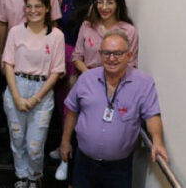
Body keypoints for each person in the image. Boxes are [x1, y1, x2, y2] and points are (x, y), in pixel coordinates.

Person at [60, 31, 169, 188]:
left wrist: (157, 141)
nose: (111, 58)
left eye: (118, 53)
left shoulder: (144, 83)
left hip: (119, 169)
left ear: (129, 55)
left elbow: (152, 115)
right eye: (106, 53)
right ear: (100, 54)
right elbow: (71, 111)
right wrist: (65, 142)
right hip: (84, 163)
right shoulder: (86, 79)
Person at [3, 0, 65, 188]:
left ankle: (34, 176)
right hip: (17, 87)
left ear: (47, 8)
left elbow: (56, 71)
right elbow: (8, 64)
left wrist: (36, 98)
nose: (33, 10)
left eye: (38, 6)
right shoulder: (15, 31)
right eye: (29, 6)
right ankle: (22, 176)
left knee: (35, 144)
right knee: (18, 138)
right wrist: (17, 96)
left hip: (42, 91)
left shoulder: (56, 35)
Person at [48, 0, 96, 165]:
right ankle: (64, 148)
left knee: (76, 106)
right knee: (62, 104)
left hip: (80, 58)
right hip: (62, 54)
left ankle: (72, 153)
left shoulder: (93, 4)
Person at [73, 0, 140, 72]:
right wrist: (90, 76)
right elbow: (77, 57)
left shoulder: (129, 31)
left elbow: (131, 64)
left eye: (110, 3)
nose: (104, 7)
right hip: (89, 78)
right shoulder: (87, 26)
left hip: (118, 80)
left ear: (118, 4)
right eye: (100, 2)